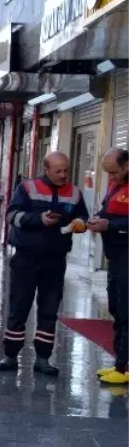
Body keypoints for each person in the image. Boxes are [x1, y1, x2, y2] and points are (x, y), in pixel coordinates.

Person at [0, 152, 88, 377]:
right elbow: (12, 216)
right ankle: (10, 356)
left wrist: (79, 224)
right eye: (58, 171)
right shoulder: (27, 188)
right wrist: (39, 220)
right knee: (19, 306)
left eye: (66, 170)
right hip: (26, 257)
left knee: (49, 309)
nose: (64, 175)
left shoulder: (75, 193)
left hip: (55, 260)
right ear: (46, 170)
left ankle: (43, 359)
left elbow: (83, 218)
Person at [91, 149, 129, 385]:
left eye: (114, 172)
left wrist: (111, 226)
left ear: (126, 166)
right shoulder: (116, 185)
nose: (111, 178)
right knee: (116, 308)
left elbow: (117, 221)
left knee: (127, 311)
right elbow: (108, 211)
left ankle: (123, 368)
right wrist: (95, 220)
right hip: (115, 258)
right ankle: (119, 363)